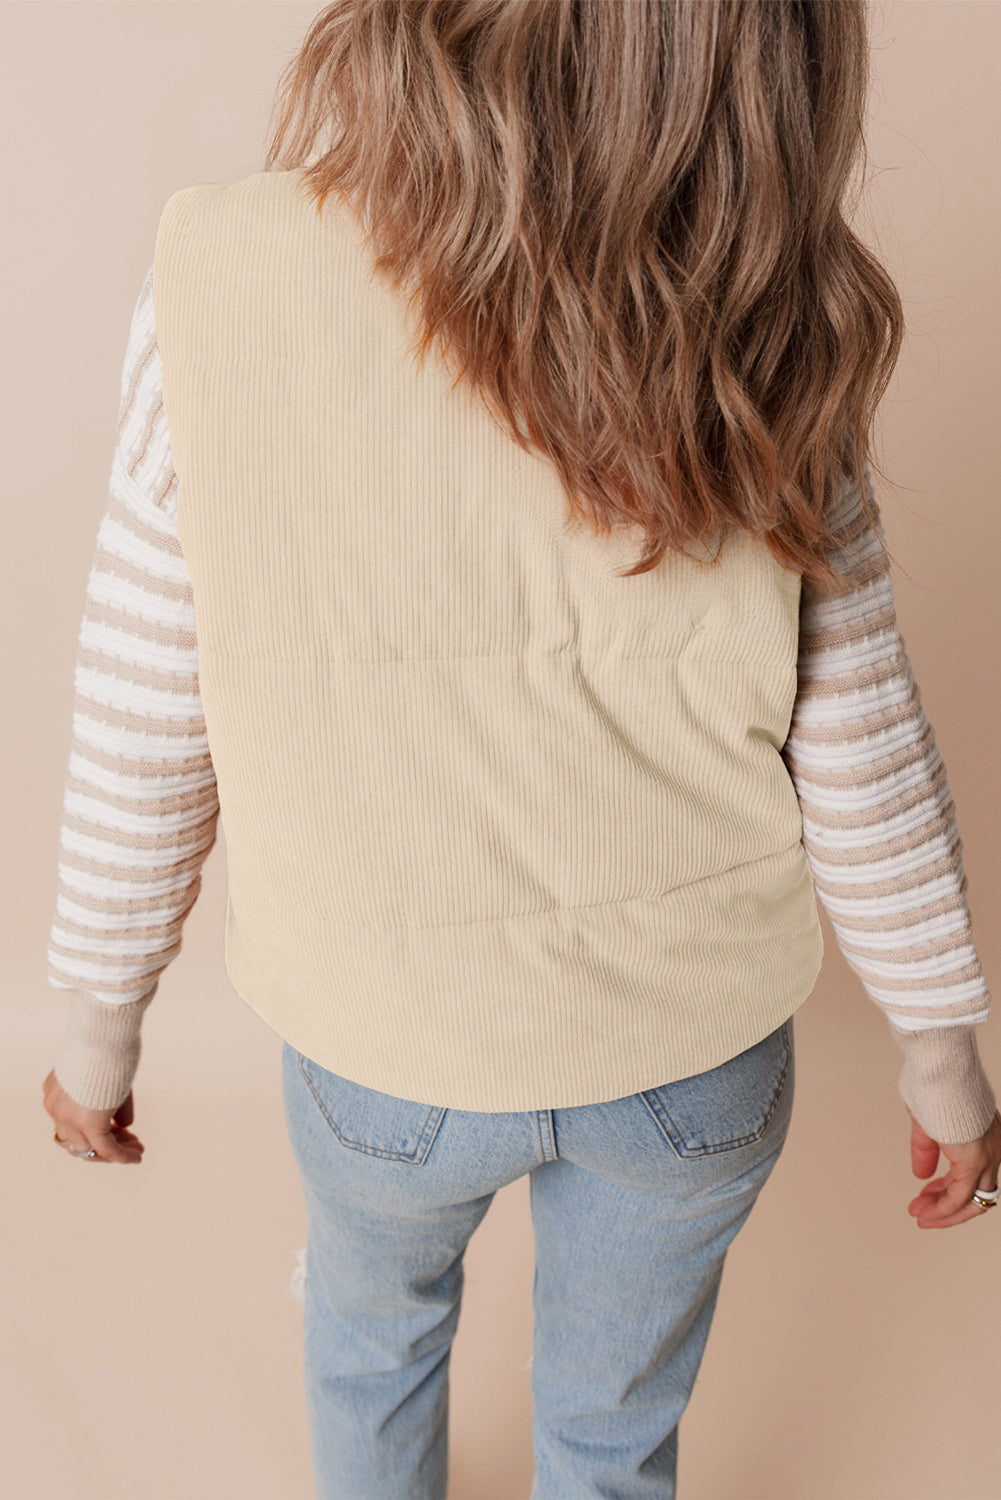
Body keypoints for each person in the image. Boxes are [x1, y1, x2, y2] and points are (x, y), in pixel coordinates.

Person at [42, 3, 1001, 1497]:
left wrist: (101, 1025)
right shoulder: (769, 318)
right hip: (692, 1070)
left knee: (368, 1353)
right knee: (614, 1426)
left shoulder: (221, 276)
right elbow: (865, 753)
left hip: (384, 1048)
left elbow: (144, 714)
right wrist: (942, 1063)